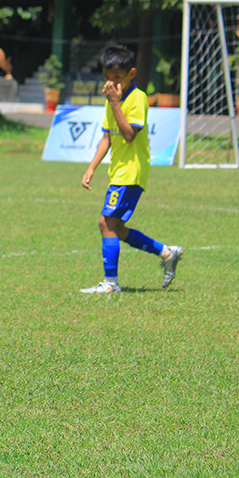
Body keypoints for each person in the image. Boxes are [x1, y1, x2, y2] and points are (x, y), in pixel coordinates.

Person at [80, 45, 183, 294]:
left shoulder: (137, 98)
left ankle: (111, 284)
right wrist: (91, 167)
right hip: (118, 171)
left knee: (106, 223)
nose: (112, 83)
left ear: (131, 74)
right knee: (117, 229)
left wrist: (115, 103)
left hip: (131, 171)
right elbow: (107, 137)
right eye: (108, 77)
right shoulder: (112, 99)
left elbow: (128, 135)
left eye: (117, 77)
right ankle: (167, 253)